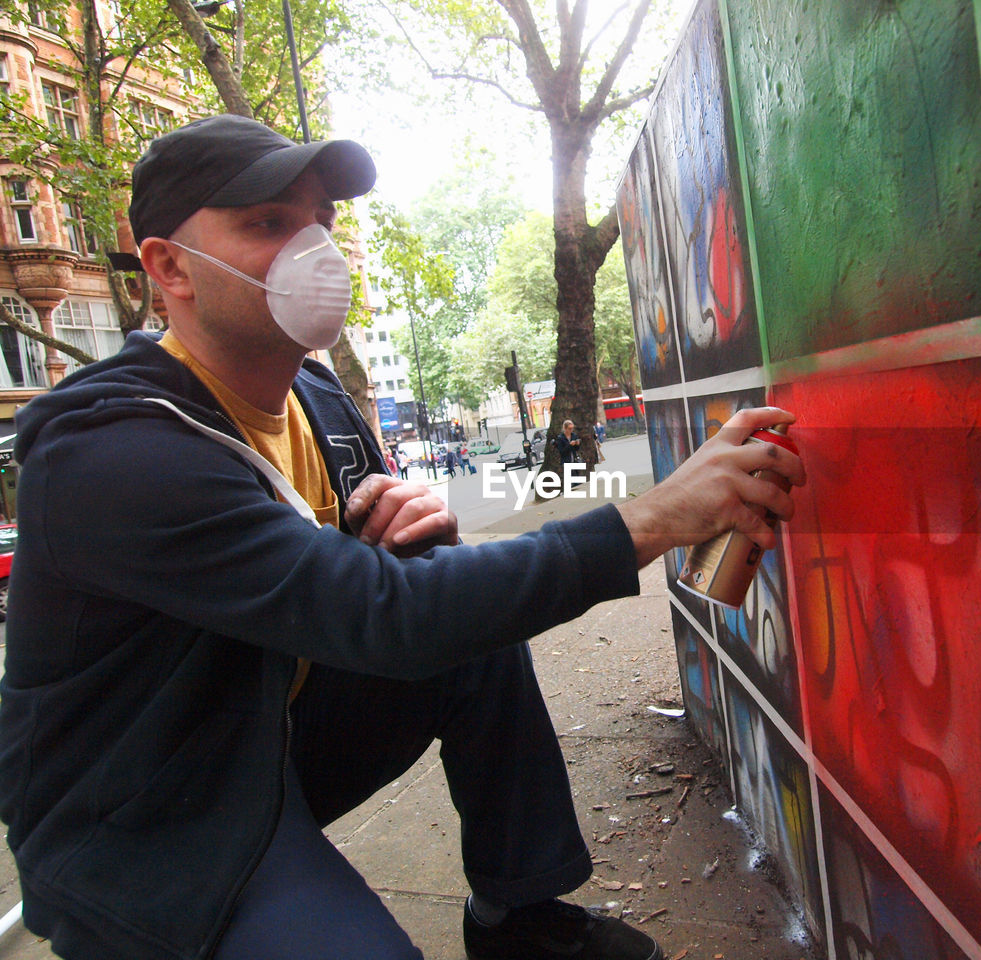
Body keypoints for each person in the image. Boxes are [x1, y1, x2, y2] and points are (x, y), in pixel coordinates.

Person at [0, 114, 804, 960]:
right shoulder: (114, 449)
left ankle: (519, 918)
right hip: (143, 821)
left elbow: (385, 591)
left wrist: (405, 536)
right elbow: (389, 616)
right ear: (169, 267)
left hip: (271, 736)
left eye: (322, 221)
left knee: (470, 622)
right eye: (269, 223)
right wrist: (654, 516)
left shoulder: (319, 401)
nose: (314, 251)